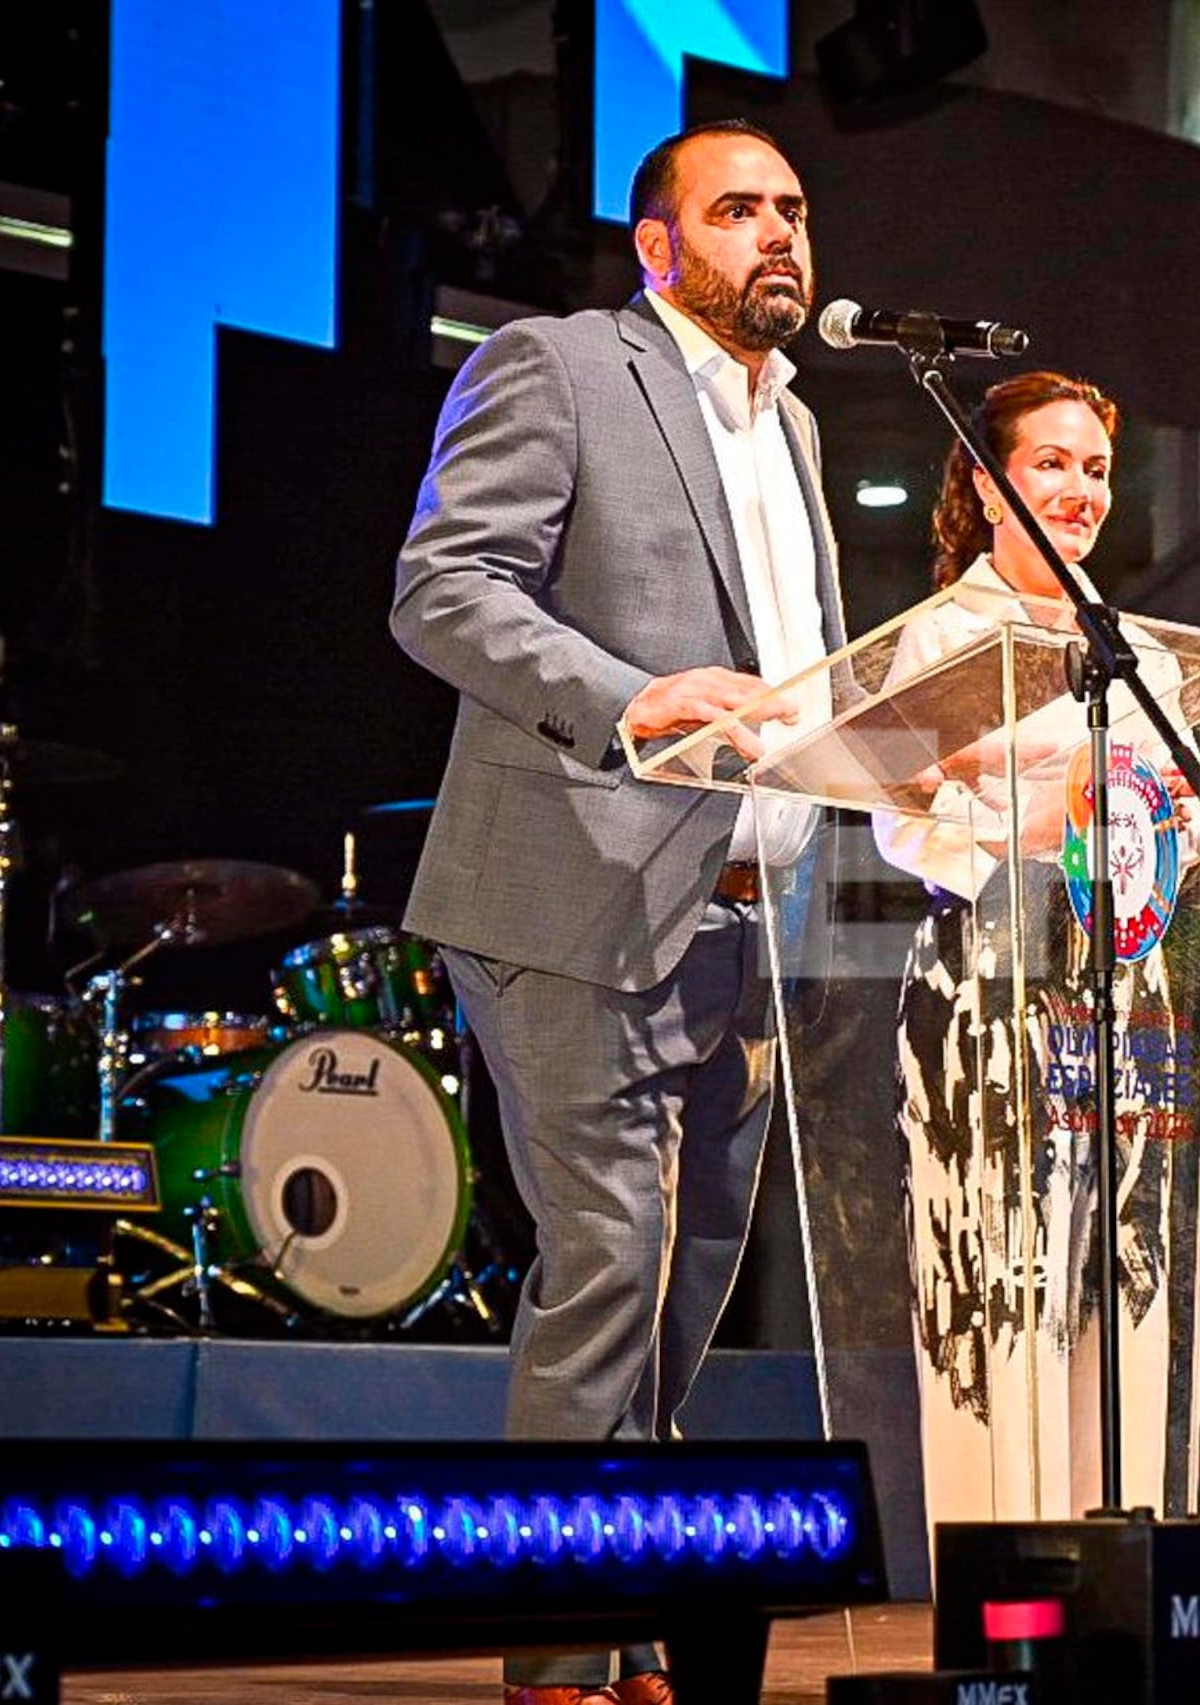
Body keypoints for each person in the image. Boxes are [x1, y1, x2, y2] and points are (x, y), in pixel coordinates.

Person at [389, 118, 844, 1705]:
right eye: (737, 211)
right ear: (658, 245)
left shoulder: (791, 430)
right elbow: (444, 589)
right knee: (610, 1263)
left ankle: (626, 1623)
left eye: (791, 209)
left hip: (744, 922)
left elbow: (796, 683)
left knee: (678, 1298)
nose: (776, 233)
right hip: (577, 891)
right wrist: (637, 699)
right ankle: (560, 1654)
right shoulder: (563, 365)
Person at [872, 372, 1200, 1532]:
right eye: (1051, 464)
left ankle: (1115, 1577)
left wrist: (1075, 797)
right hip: (988, 991)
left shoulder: (1140, 656)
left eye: (1096, 469)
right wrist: (1075, 801)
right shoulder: (945, 639)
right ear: (986, 480)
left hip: (1126, 1000)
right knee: (998, 1301)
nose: (1078, 490)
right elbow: (907, 815)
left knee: (1118, 1294)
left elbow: (1186, 826)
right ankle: (1006, 1594)